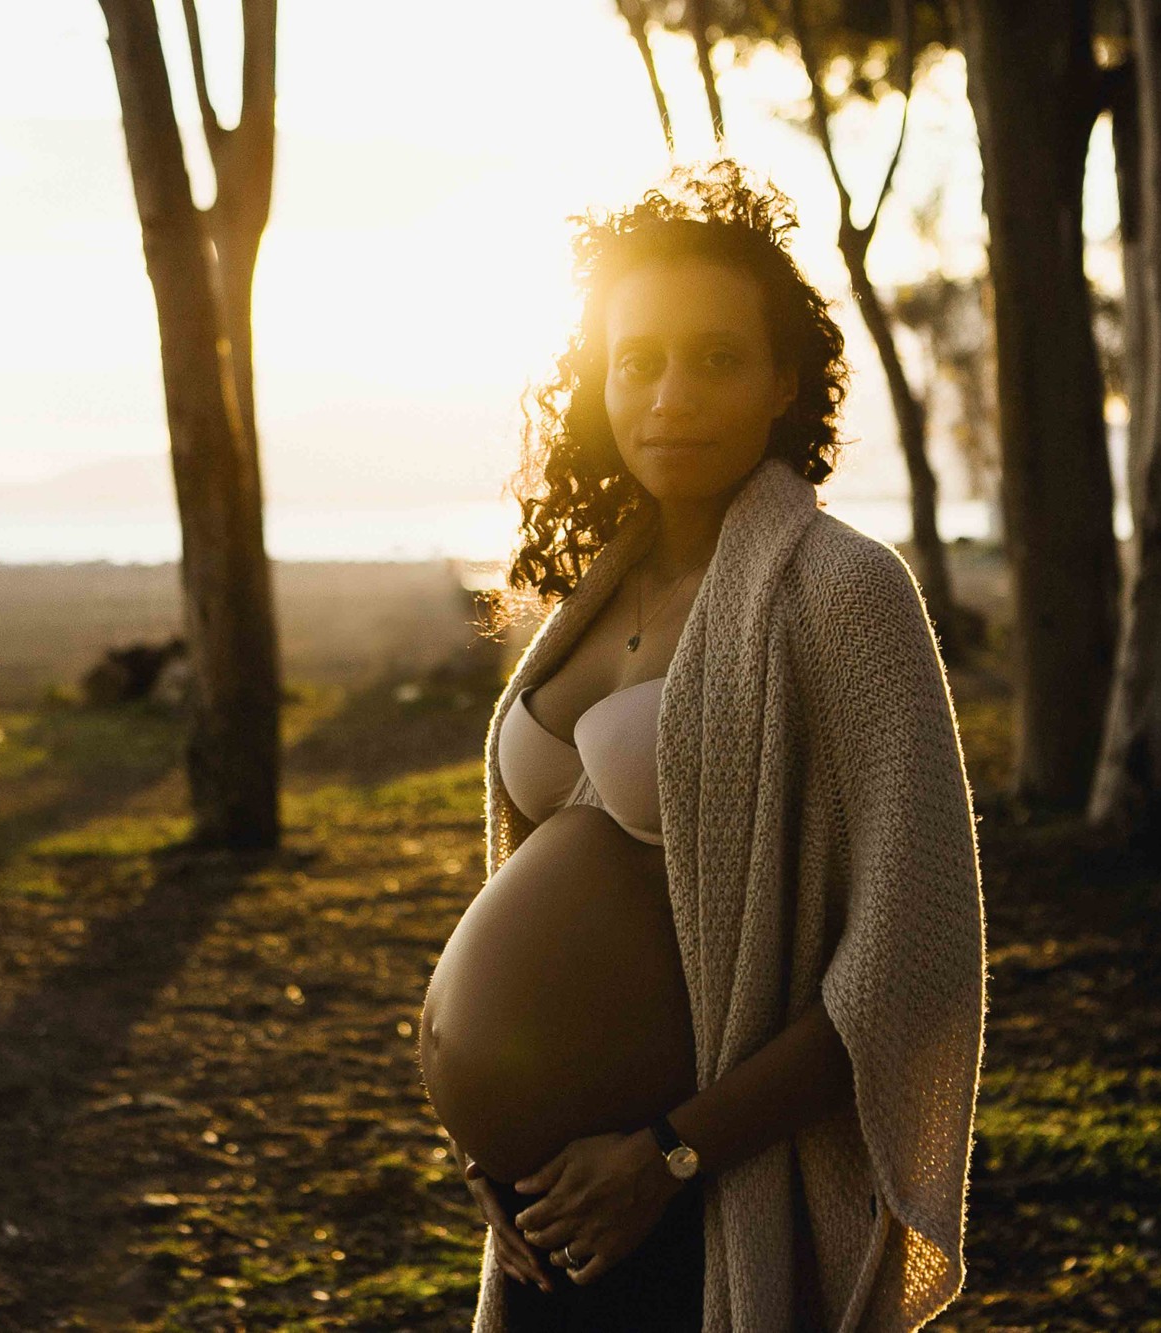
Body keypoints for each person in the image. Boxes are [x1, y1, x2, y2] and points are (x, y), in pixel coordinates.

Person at [414, 160, 987, 1332]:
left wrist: (668, 1157)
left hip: (692, 1198)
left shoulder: (840, 593)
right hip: (542, 1216)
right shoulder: (594, 589)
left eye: (717, 358)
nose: (670, 395)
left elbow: (910, 961)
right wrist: (488, 1139)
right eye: (638, 361)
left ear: (784, 381)